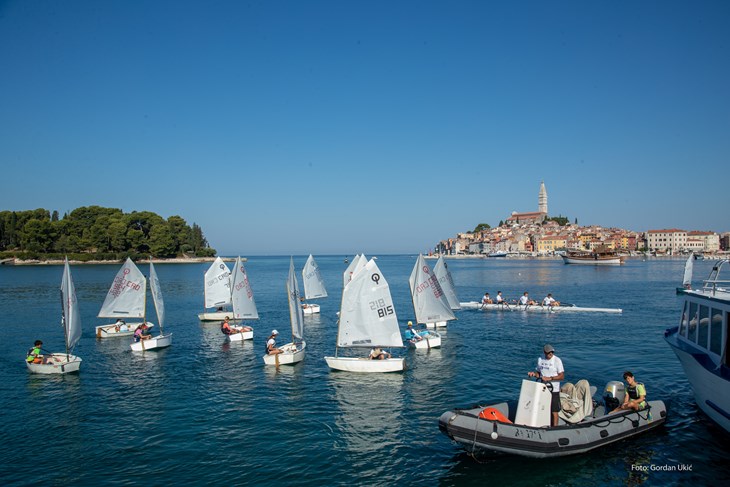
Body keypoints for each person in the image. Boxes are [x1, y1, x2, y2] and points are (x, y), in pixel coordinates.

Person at [527, 344, 565, 427]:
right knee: (542, 408)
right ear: (544, 352)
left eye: (552, 352)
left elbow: (561, 376)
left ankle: (555, 428)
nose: (550, 354)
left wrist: (550, 378)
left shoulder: (557, 360)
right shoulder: (540, 359)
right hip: (543, 389)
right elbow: (539, 373)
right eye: (548, 352)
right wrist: (533, 374)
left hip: (553, 390)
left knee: (554, 411)